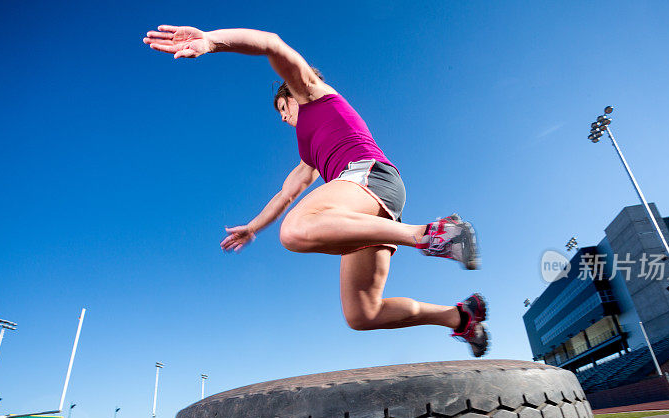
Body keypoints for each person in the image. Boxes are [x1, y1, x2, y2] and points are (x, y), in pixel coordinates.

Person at [143, 25, 489, 356]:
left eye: (282, 108)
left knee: (295, 230)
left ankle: (434, 234)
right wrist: (252, 227)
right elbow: (285, 195)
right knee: (362, 315)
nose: (282, 118)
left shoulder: (313, 95)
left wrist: (212, 42)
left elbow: (271, 43)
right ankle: (461, 317)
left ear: (291, 96)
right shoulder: (308, 156)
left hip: (369, 176)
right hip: (367, 207)